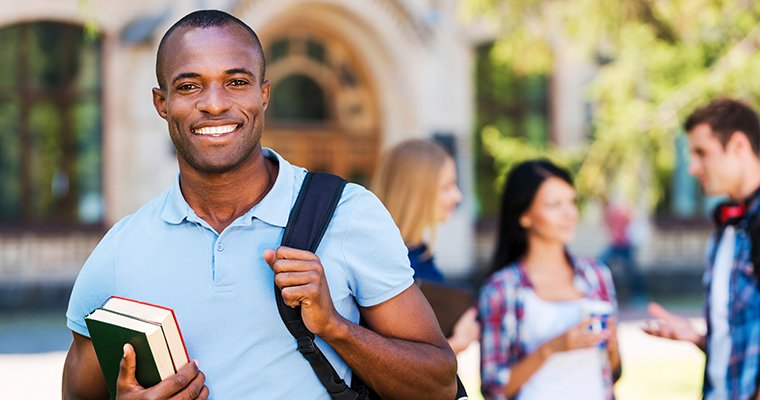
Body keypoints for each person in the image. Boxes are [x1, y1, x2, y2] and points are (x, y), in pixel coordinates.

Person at [61, 10, 457, 400]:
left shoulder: (349, 213)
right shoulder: (120, 250)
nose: (214, 105)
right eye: (188, 87)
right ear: (161, 102)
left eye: (236, 82)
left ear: (263, 94)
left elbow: (437, 385)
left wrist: (335, 327)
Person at [643, 98, 760, 400]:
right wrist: (700, 338)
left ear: (739, 145)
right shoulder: (726, 229)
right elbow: (748, 342)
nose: (692, 167)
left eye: (702, 153)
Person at [478, 160, 621, 400]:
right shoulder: (501, 289)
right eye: (554, 205)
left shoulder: (597, 275)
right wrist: (551, 348)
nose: (569, 214)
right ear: (524, 216)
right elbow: (494, 388)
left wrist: (613, 344)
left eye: (571, 202)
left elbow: (613, 371)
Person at [371, 138, 480, 354]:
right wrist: (458, 344)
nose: (457, 196)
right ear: (416, 192)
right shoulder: (391, 266)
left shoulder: (418, 254)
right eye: (447, 186)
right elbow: (398, 361)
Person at [599, 197, 648, 304]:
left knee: (631, 271)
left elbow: (630, 220)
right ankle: (602, 294)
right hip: (616, 245)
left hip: (625, 244)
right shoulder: (609, 215)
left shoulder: (619, 212)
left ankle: (639, 295)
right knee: (601, 264)